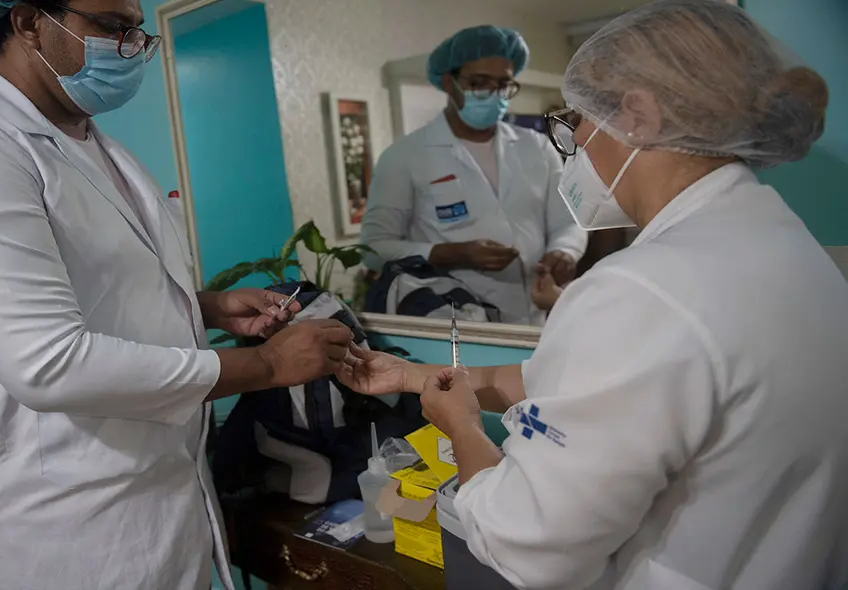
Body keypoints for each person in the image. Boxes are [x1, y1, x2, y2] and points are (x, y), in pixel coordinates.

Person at [339, 1, 848, 588]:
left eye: (578, 119)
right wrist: (411, 375)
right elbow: (607, 384)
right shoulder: (785, 245)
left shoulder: (641, 289)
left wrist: (462, 429)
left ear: (638, 115)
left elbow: (524, 545)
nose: (573, 140)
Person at [0, 1, 353, 589]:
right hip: (60, 520)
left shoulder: (91, 145)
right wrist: (266, 365)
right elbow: (46, 364)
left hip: (157, 489)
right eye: (112, 27)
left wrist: (200, 305)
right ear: (28, 23)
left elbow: (83, 282)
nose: (131, 48)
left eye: (136, 31)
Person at [361, 25, 587, 326]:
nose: (493, 94)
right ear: (448, 82)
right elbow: (374, 249)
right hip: (456, 322)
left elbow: (569, 217)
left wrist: (565, 251)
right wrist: (451, 253)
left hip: (536, 319)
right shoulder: (405, 156)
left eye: (503, 84)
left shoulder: (536, 146)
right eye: (479, 83)